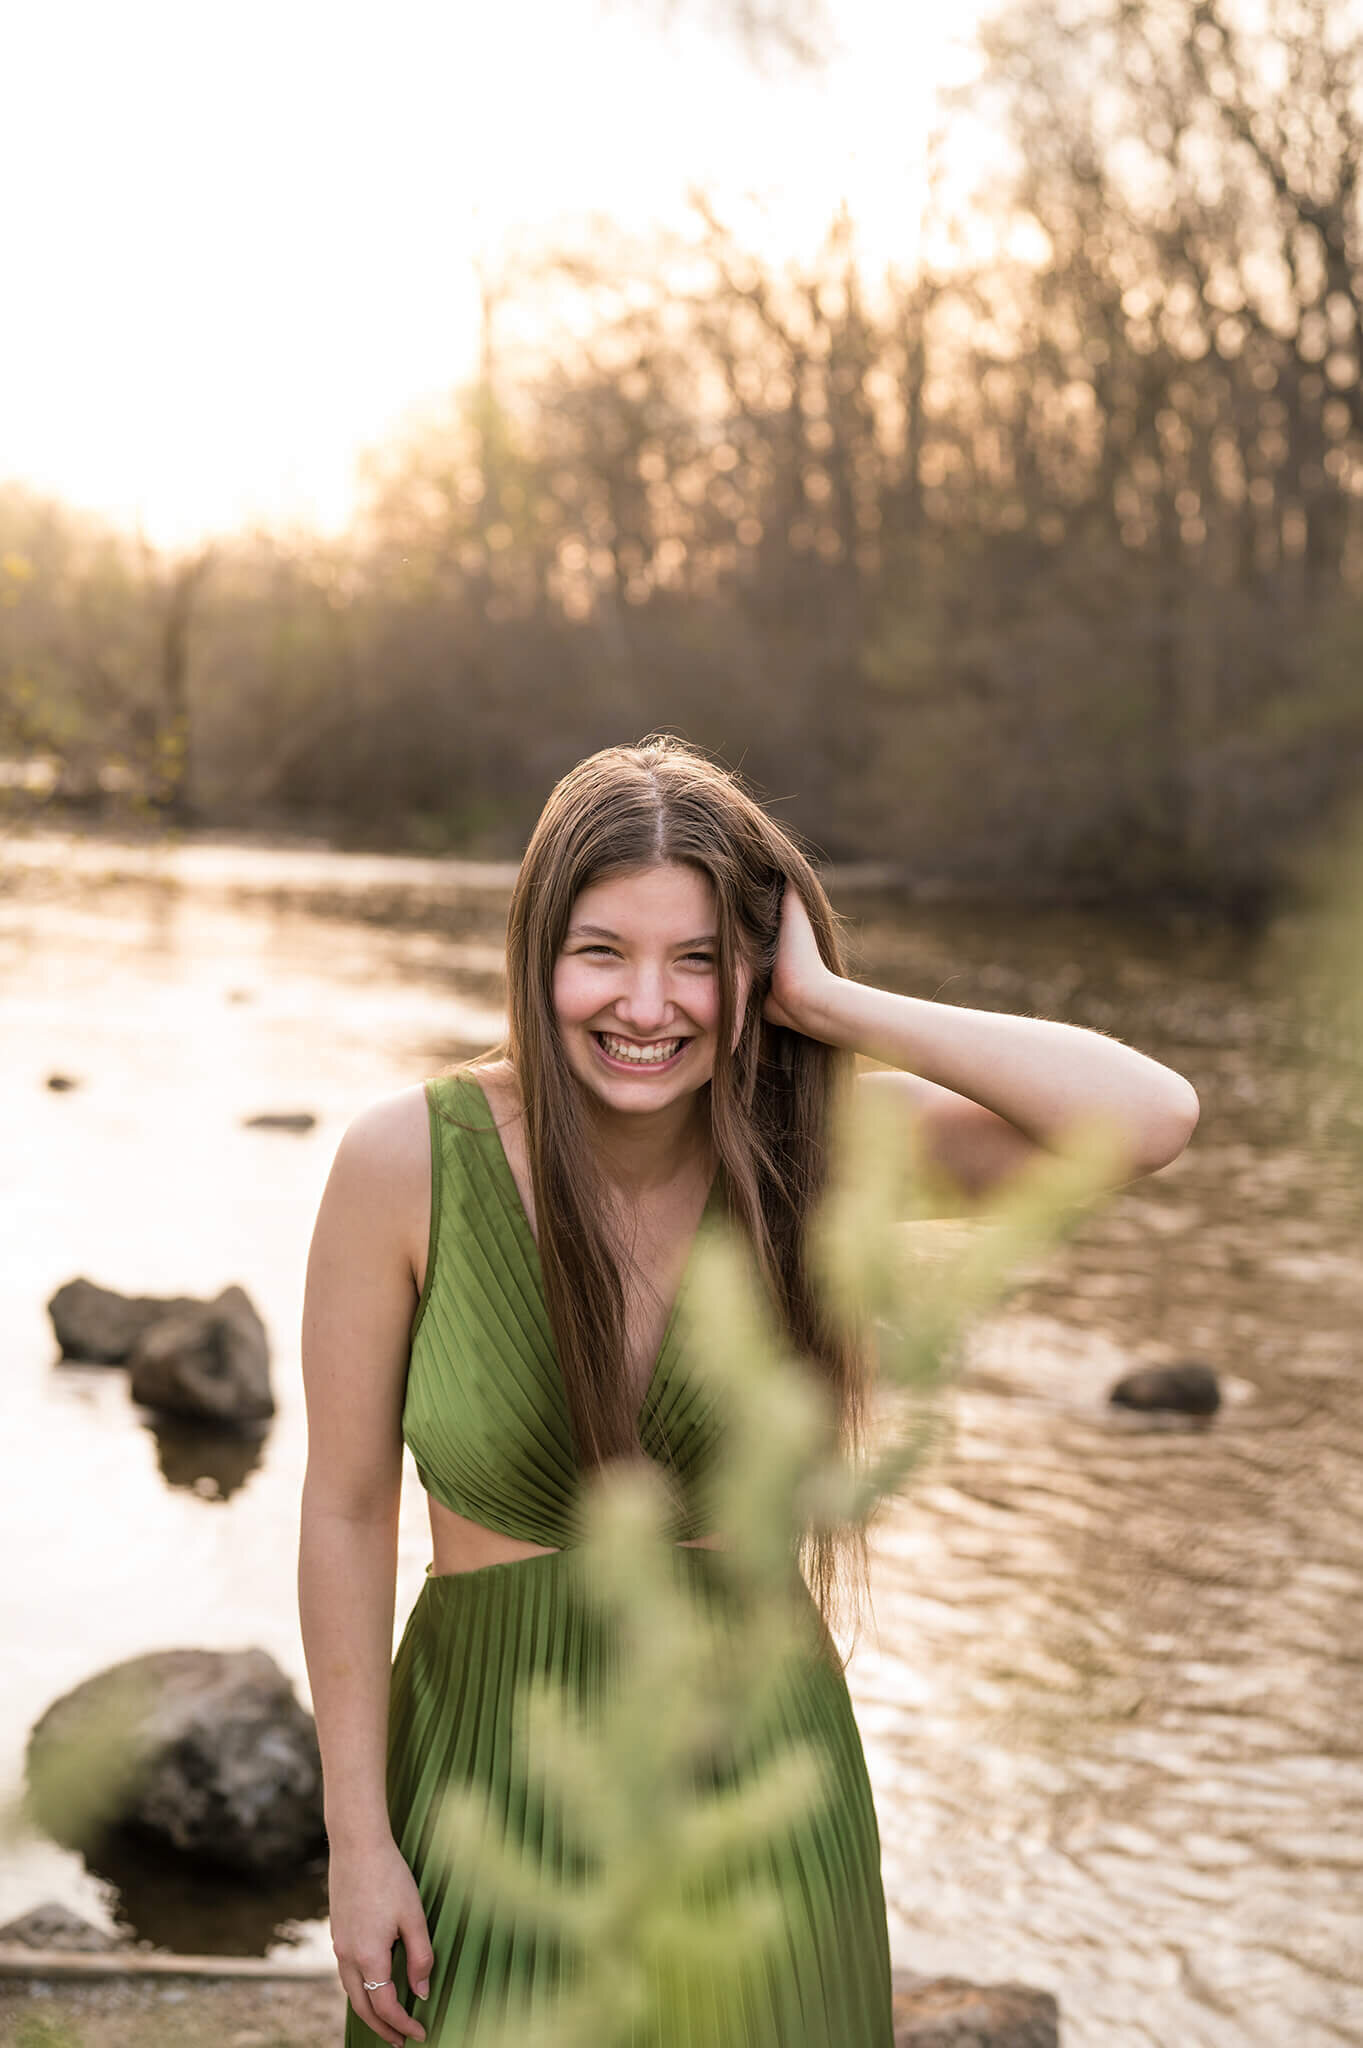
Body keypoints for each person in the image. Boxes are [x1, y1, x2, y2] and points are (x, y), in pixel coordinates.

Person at [298, 735, 1199, 2047]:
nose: (647, 1005)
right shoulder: (405, 1163)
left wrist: (836, 1011)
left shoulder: (818, 1154)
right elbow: (344, 1507)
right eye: (602, 951)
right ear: (535, 953)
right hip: (488, 1774)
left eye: (700, 960)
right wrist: (356, 1839)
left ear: (756, 974)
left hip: (761, 1788)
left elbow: (1148, 1119)